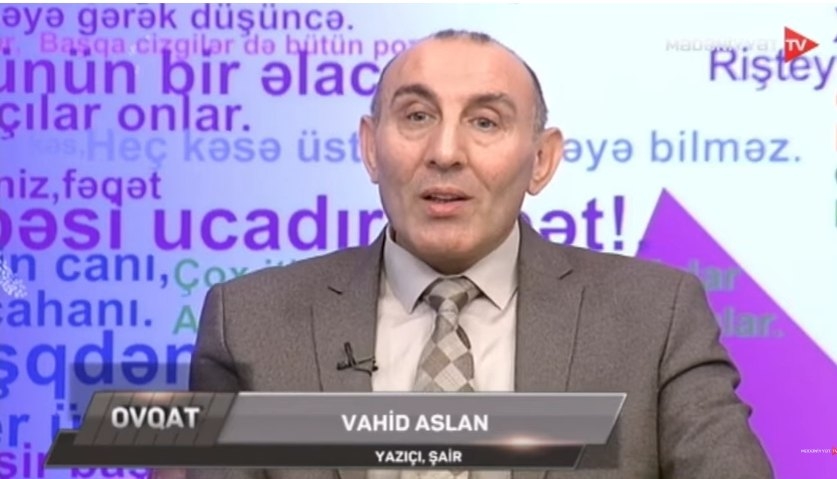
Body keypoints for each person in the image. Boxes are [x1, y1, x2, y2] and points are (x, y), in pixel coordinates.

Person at [184, 29, 773, 479]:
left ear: (541, 160)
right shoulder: (248, 322)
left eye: (486, 122)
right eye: (417, 116)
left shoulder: (656, 315)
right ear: (371, 148)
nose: (446, 152)